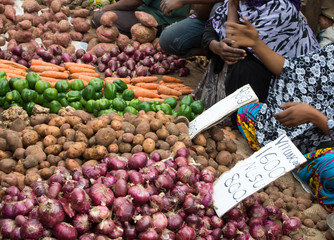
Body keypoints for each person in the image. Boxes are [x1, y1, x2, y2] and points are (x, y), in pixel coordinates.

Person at [226, 18, 334, 209]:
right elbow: (291, 70)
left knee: (331, 170)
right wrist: (256, 43)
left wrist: (314, 116)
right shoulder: (332, 53)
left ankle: (310, 172)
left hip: (326, 148)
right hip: (300, 140)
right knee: (246, 112)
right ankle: (293, 162)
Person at [193, 0, 319, 111]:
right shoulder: (242, 2)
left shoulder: (279, 9)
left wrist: (232, 7)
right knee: (229, 58)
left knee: (240, 65)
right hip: (250, 65)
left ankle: (246, 116)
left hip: (281, 81)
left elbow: (233, 46)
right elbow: (211, 30)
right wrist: (215, 46)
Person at [91, 0, 191, 38]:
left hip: (159, 20)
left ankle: (146, 36)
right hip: (164, 17)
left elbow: (133, 2)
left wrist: (103, 9)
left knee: (101, 18)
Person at [158, 0, 223, 57]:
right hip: (205, 21)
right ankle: (212, 52)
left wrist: (182, 1)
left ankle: (220, 54)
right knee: (168, 39)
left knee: (217, 8)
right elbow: (201, 13)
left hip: (224, 22)